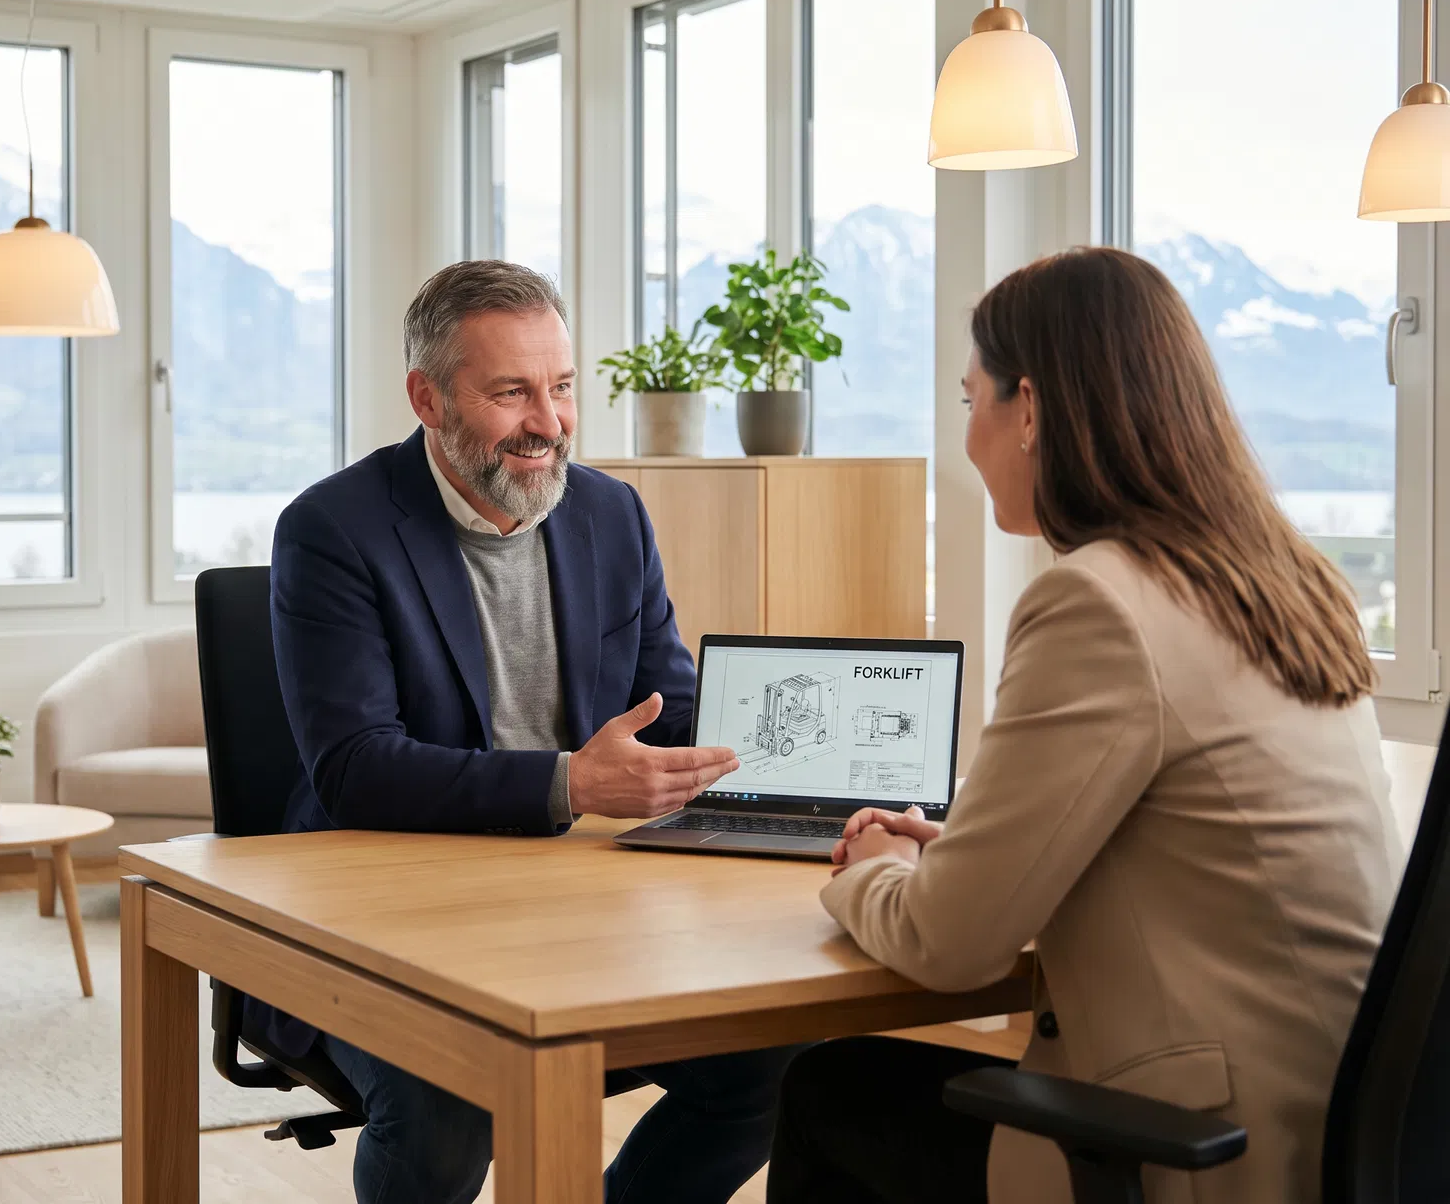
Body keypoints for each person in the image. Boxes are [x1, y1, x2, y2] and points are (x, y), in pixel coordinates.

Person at [767, 247, 1402, 1204]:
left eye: (970, 400)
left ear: (1030, 410)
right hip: (1341, 1134)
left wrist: (869, 874)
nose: (969, 439)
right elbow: (1191, 852)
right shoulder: (1288, 581)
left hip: (1197, 1152)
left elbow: (949, 946)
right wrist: (971, 853)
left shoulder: (1100, 602)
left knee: (830, 1088)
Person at [265, 259, 798, 1204]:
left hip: (576, 903)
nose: (549, 424)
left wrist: (815, 753)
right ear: (427, 398)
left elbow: (665, 707)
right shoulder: (332, 530)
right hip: (379, 911)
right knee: (445, 1099)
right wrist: (570, 785)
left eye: (560, 388)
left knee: (774, 1064)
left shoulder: (610, 512)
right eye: (510, 392)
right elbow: (355, 770)